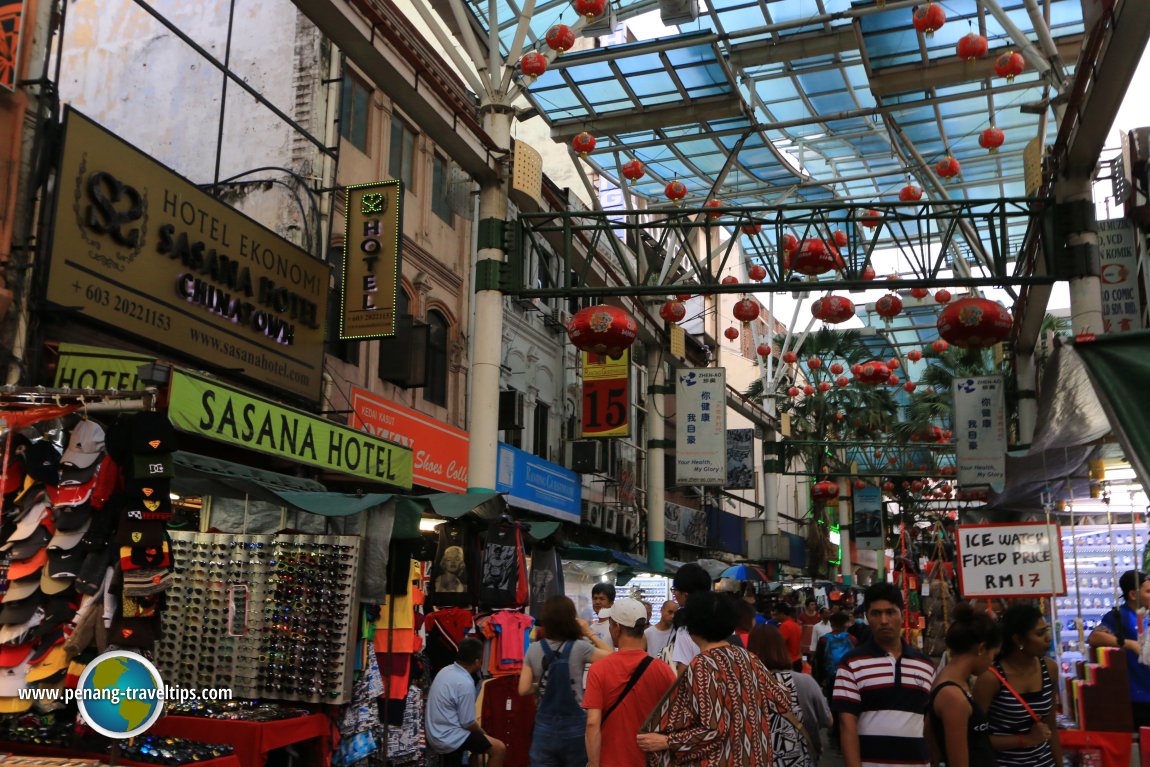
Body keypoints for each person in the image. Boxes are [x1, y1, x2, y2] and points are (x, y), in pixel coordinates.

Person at [636, 591, 787, 766]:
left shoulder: (702, 665)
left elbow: (713, 730)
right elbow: (782, 699)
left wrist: (666, 742)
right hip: (755, 757)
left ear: (692, 625)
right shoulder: (748, 657)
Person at [831, 582, 934, 767]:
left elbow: (928, 725)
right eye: (876, 613)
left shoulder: (925, 666)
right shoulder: (851, 664)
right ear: (867, 617)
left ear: (902, 614)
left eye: (890, 612)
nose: (884, 620)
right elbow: (847, 724)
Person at [520, 595, 613, 767]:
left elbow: (523, 689)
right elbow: (613, 657)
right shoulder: (580, 647)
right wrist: (589, 632)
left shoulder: (533, 649)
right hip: (575, 727)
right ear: (572, 618)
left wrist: (542, 685)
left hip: (544, 727)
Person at [584, 598, 677, 767]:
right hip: (650, 760)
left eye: (611, 624)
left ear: (617, 628)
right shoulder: (662, 669)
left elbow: (592, 723)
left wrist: (593, 763)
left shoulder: (599, 669)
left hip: (610, 760)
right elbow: (677, 716)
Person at [973, 603, 1063, 767]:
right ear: (1018, 640)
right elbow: (975, 737)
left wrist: (1059, 763)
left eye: (1047, 630)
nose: (1048, 638)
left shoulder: (1050, 669)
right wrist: (1025, 740)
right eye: (1040, 633)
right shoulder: (991, 679)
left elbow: (1051, 726)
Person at [925, 603, 1000, 767]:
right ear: (981, 648)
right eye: (992, 655)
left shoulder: (956, 685)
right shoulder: (953, 695)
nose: (991, 663)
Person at [748, 624, 830, 766]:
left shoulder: (742, 684)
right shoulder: (804, 682)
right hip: (799, 760)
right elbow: (827, 720)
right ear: (782, 648)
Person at [426, 638, 507, 767]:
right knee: (499, 748)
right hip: (448, 738)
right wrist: (483, 733)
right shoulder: (465, 682)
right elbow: (468, 723)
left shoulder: (446, 670)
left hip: (435, 733)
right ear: (477, 662)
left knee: (479, 746)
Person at [1086, 569, 1150, 728]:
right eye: (1148, 591)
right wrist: (1131, 644)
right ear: (1133, 595)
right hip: (1139, 695)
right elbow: (1095, 637)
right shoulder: (1120, 616)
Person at [667, 562, 713, 672]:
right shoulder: (723, 623)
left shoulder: (686, 629)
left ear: (685, 595)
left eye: (675, 590)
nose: (675, 594)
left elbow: (683, 676)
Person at [817, 610, 855, 693]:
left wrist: (819, 681)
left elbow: (818, 662)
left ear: (831, 624)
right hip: (850, 678)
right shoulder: (852, 639)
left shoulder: (824, 640)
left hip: (831, 679)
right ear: (846, 624)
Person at [773, 603, 803, 671]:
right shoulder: (795, 625)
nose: (774, 617)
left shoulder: (785, 626)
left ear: (782, 614)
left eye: (776, 615)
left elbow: (779, 644)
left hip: (789, 663)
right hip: (797, 660)